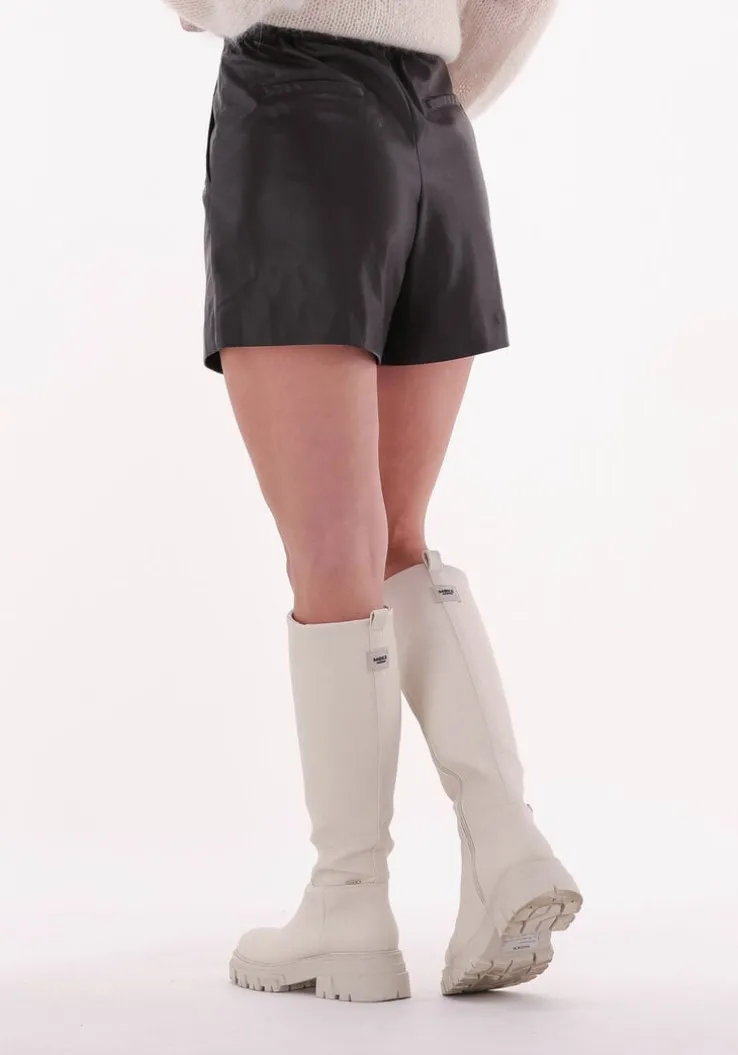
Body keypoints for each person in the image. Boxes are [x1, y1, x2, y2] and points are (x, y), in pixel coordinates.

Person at [164, 0, 581, 1002]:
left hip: (298, 113)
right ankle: (506, 839)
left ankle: (348, 900)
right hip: (436, 136)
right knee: (393, 540)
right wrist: (423, 73)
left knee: (332, 557)